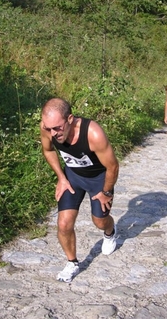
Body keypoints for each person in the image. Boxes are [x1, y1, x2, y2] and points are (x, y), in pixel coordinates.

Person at [40, 98, 119, 283]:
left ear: (70, 119)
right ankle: (72, 263)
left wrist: (106, 192)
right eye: (49, 128)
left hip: (98, 180)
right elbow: (48, 150)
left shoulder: (93, 133)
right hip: (72, 178)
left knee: (99, 221)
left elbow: (113, 166)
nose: (53, 133)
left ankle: (110, 232)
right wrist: (61, 177)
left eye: (57, 128)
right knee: (64, 224)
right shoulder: (47, 128)